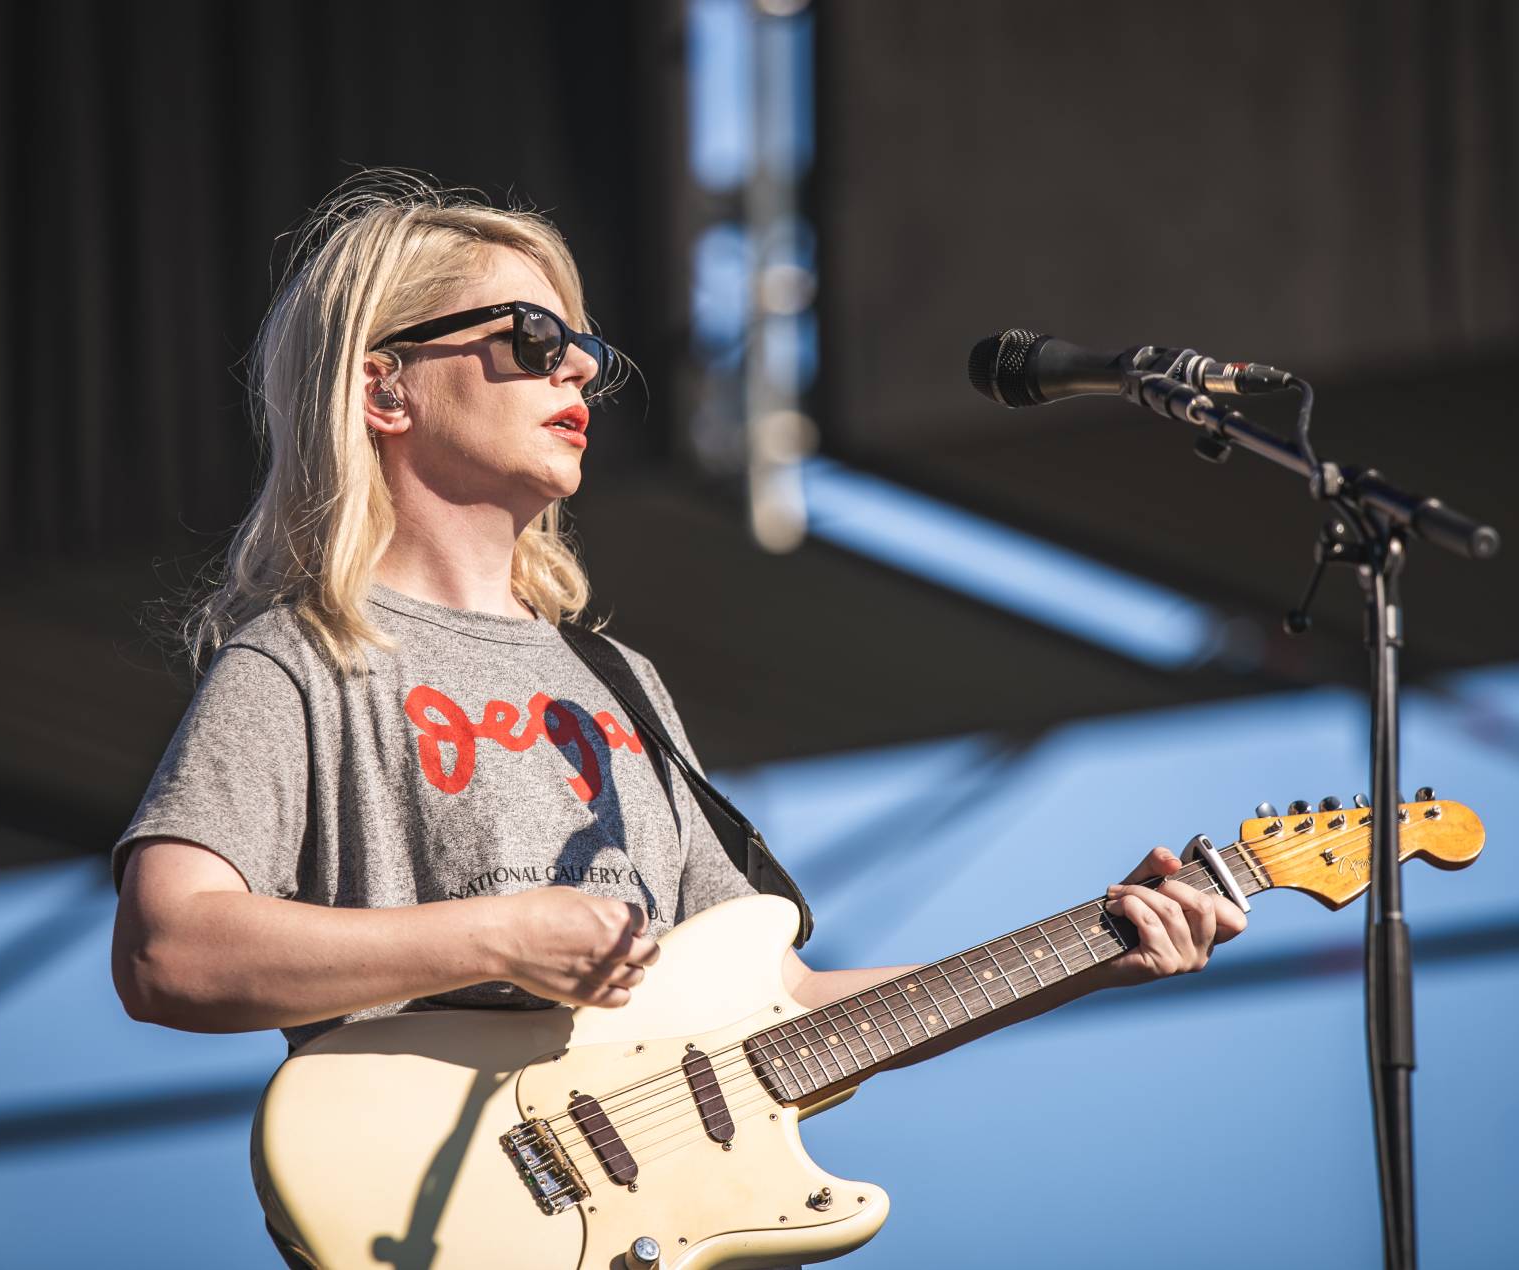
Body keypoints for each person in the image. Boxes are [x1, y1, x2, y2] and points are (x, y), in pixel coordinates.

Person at [108, 172, 1246, 1267]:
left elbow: (779, 1006)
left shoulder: (617, 683)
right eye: (532, 340)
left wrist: (1090, 955)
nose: (579, 376)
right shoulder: (306, 657)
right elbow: (169, 949)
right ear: (384, 388)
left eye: (588, 353)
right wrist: (494, 937)